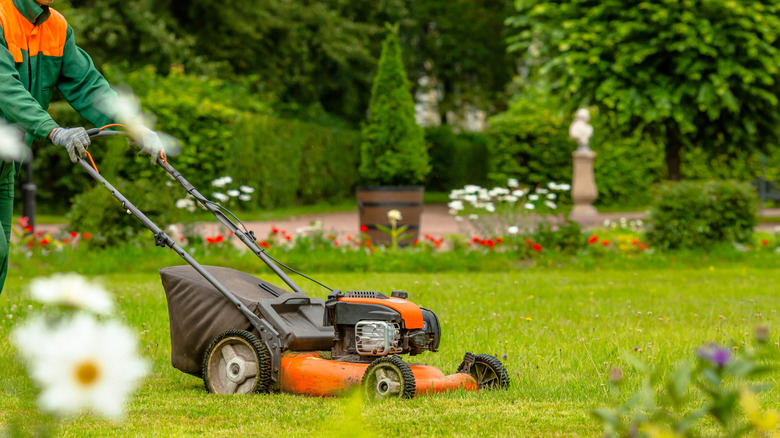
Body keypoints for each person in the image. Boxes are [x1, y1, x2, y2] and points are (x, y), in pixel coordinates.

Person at [0, 0, 163, 293]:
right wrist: (53, 131)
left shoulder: (57, 27)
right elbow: (5, 89)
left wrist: (133, 126)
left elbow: (88, 86)